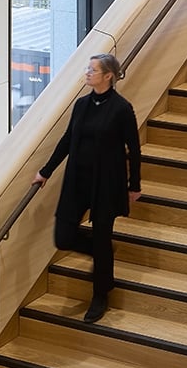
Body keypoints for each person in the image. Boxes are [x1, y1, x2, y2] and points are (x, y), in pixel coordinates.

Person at [32, 53, 142, 323]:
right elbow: (68, 139)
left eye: (93, 70)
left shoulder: (121, 108)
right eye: (88, 69)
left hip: (107, 183)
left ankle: (100, 295)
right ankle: (100, 253)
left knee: (102, 237)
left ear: (108, 76)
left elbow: (134, 149)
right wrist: (45, 171)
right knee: (64, 236)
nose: (87, 73)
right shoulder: (81, 105)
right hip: (77, 180)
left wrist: (134, 185)